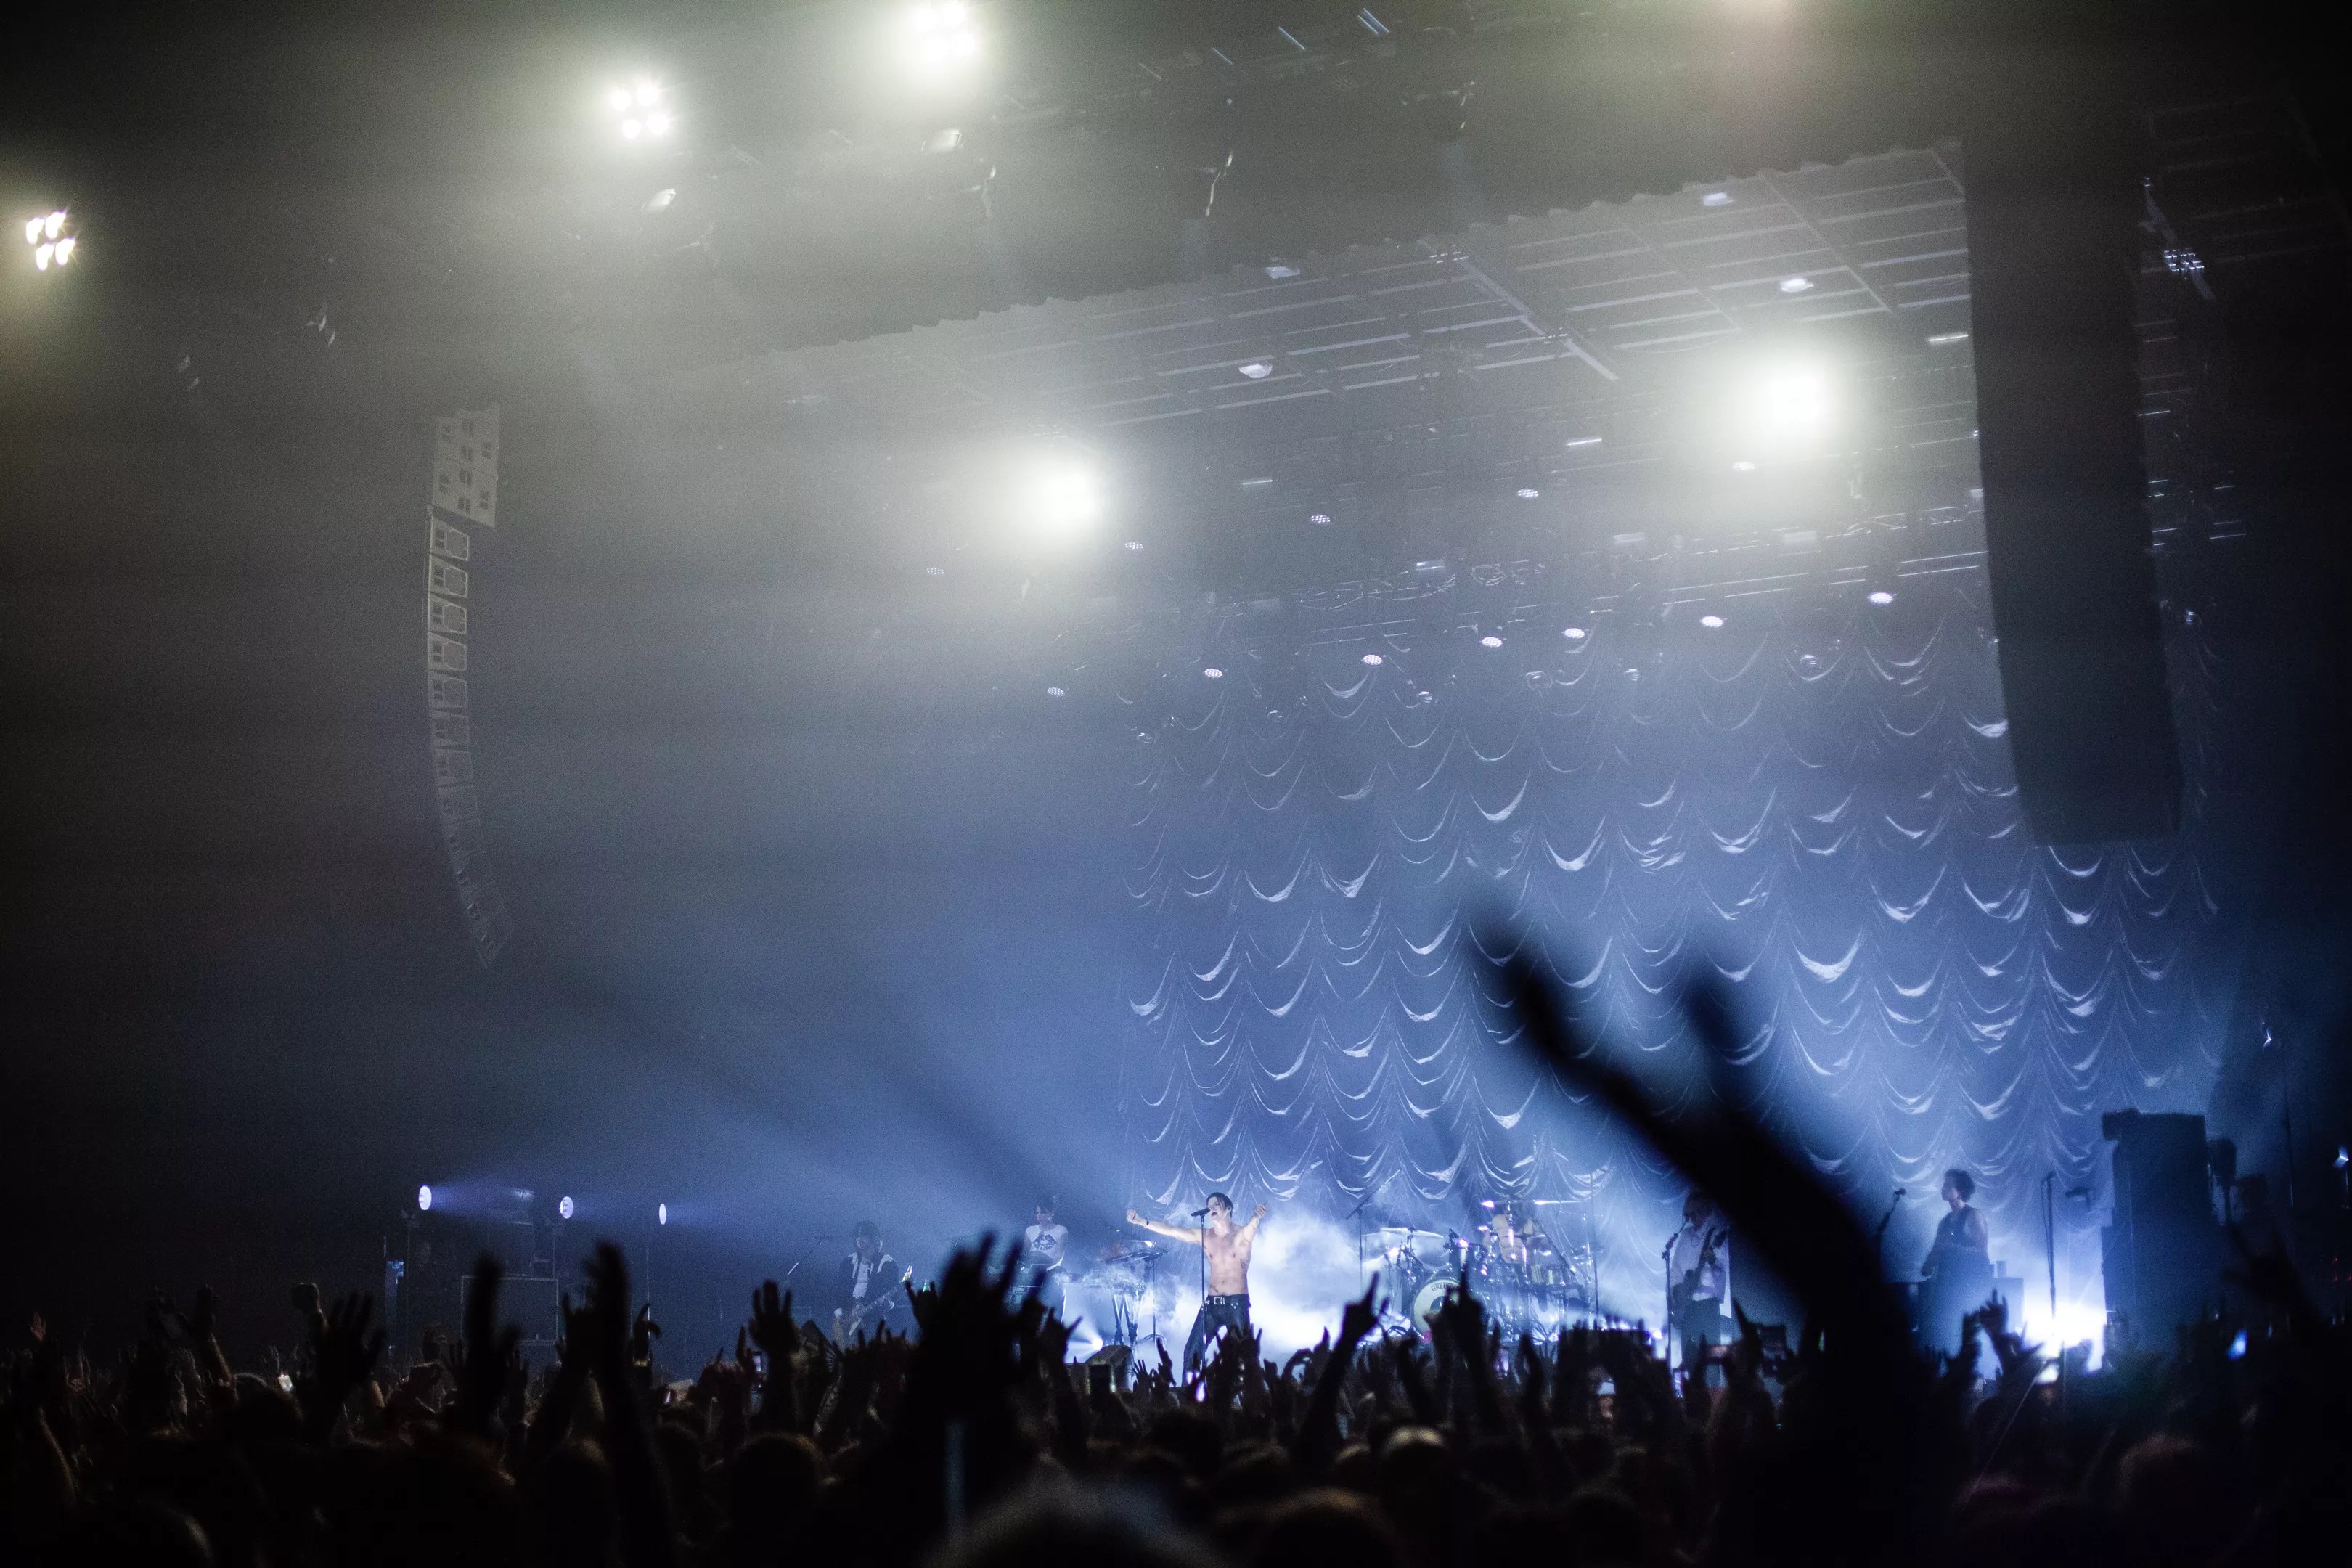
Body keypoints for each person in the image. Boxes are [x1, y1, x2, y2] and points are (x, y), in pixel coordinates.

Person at [1126, 1192, 1267, 1373]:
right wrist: (1142, 1222)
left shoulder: (1240, 1235)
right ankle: (1191, 1391)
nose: (1211, 1208)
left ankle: (1251, 1390)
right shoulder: (1205, 1236)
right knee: (1192, 1353)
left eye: (1216, 1205)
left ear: (1228, 1208)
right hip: (1211, 1306)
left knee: (1245, 1358)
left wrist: (1256, 1216)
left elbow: (1251, 1228)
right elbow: (1173, 1231)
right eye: (1209, 1206)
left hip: (1236, 1305)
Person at [1917, 1167, 1993, 1357]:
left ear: (1960, 1191)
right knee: (1943, 1334)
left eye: (1948, 1185)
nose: (1943, 1188)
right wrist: (1928, 1265)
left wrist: (1951, 1249)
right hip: (1947, 1287)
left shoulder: (1973, 1215)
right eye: (1944, 1185)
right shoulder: (1944, 1223)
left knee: (1965, 1335)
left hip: (1969, 1288)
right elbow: (1935, 1253)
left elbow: (1981, 1252)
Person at [1666, 1190, 1731, 1376]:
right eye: (1690, 1214)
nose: (1693, 1218)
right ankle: (1691, 1388)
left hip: (1708, 1304)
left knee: (1712, 1354)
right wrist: (1675, 1293)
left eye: (1696, 1213)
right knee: (1689, 1356)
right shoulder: (1685, 1236)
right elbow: (1676, 1269)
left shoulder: (1716, 1234)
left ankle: (1714, 1389)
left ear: (1705, 1211)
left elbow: (1723, 1268)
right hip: (1688, 1305)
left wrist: (1713, 1261)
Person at [832, 1220, 900, 1342]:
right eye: (857, 1236)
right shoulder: (848, 1261)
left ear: (874, 1239)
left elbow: (893, 1291)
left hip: (872, 1319)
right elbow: (838, 1289)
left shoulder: (887, 1263)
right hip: (847, 1316)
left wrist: (890, 1304)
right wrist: (839, 1313)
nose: (860, 1240)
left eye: (864, 1236)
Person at [1023, 1197, 1069, 1319]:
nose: (1039, 1215)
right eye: (1037, 1213)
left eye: (1043, 1212)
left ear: (1051, 1212)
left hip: (1052, 1274)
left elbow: (1059, 1257)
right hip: (1032, 1275)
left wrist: (1045, 1269)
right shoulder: (1030, 1231)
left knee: (1054, 1311)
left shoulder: (1061, 1231)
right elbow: (1025, 1254)